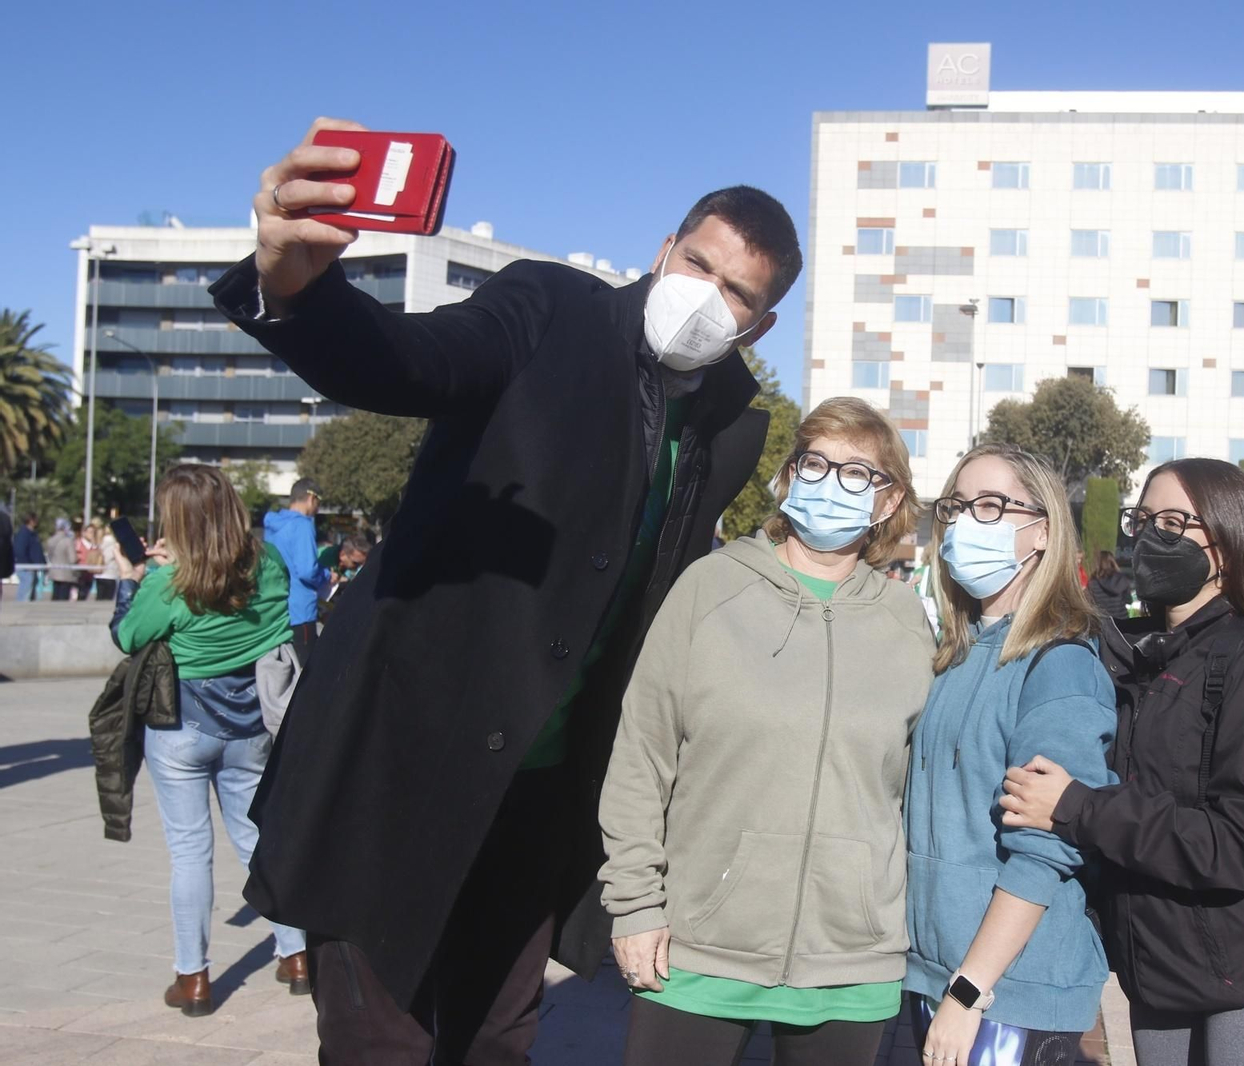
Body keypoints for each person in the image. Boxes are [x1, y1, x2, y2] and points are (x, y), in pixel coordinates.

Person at [210, 117, 800, 1063]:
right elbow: (410, 361)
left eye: (736, 293)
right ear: (663, 251)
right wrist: (297, 285)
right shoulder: (549, 309)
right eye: (698, 264)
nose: (707, 297)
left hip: (541, 793)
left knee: (497, 1039)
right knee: (381, 1045)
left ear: (758, 325)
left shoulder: (732, 430)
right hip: (401, 766)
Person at [999, 458, 1244, 1066]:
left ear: (1226, 546)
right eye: (1142, 520)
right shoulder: (1139, 655)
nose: (1150, 537)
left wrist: (1078, 807)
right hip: (1161, 977)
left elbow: (1241, 843)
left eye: (1173, 522)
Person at [600, 397, 934, 1066]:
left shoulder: (907, 624)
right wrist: (635, 905)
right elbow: (642, 752)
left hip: (851, 962)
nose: (830, 482)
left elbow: (912, 790)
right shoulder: (710, 589)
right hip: (698, 949)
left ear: (889, 498)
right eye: (816, 462)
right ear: (789, 475)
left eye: (857, 472)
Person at [904, 443, 1115, 1066]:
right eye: (958, 506)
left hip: (1004, 993)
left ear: (1041, 531)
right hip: (939, 971)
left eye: (993, 505)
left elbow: (1043, 850)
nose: (969, 521)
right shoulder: (961, 653)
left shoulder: (1060, 665)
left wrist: (969, 992)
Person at [107, 464, 308, 1018]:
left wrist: (134, 576)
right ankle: (297, 955)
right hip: (252, 723)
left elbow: (128, 636)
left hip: (182, 726)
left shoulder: (169, 580)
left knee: (190, 852)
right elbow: (278, 619)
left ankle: (192, 978)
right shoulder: (266, 562)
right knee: (255, 839)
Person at [263, 479, 327, 660]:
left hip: (277, 607)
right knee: (306, 669)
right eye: (319, 503)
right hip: (301, 610)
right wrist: (327, 575)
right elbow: (307, 570)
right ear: (311, 498)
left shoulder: (272, 525)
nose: (317, 509)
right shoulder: (303, 525)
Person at [1087, 550, 1132, 619]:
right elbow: (1129, 600)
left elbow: (1090, 603)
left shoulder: (1092, 582)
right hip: (1122, 619)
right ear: (1113, 561)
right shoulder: (1121, 579)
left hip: (1103, 622)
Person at [13, 513, 44, 601]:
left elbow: (37, 551)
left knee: (31, 590)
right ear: (31, 521)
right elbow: (19, 550)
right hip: (26, 567)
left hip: (32, 567)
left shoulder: (33, 534)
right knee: (25, 589)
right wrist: (27, 564)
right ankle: (21, 608)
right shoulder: (24, 534)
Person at [46, 518, 76, 601]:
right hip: (65, 573)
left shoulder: (50, 540)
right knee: (63, 597)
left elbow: (49, 556)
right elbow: (72, 559)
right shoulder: (68, 541)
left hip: (54, 571)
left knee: (55, 594)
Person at [97, 523, 121, 600]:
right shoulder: (113, 543)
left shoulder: (100, 541)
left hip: (99, 573)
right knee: (107, 599)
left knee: (99, 597)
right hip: (110, 574)